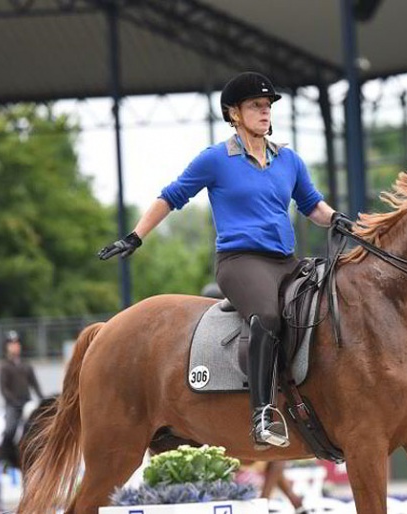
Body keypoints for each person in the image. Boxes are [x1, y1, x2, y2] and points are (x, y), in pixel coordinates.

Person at [98, 71, 351, 449]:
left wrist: (337, 219)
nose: (265, 113)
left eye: (267, 107)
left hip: (285, 261)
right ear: (234, 113)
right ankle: (263, 413)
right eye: (256, 106)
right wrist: (135, 236)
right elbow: (171, 196)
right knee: (266, 317)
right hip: (241, 261)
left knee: (328, 297)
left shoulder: (288, 159)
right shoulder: (216, 159)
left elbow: (312, 205)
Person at [0, 330, 43, 466]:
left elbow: (35, 385)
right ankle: (6, 460)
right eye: (11, 344)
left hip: (27, 403)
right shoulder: (4, 367)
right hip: (13, 405)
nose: (15, 346)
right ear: (6, 347)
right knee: (9, 430)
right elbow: (3, 389)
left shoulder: (26, 365)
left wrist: (42, 399)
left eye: (17, 343)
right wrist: (14, 402)